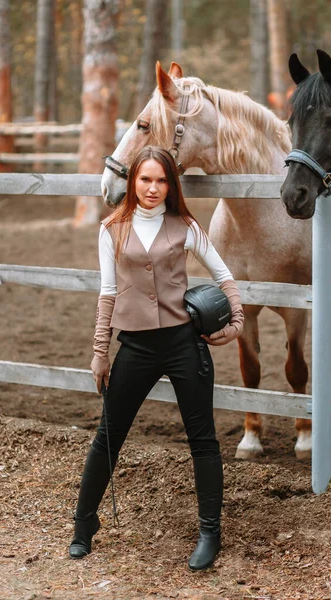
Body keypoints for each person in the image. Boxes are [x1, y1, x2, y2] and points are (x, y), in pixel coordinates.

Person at [69, 146, 244, 571]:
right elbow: (107, 293)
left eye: (161, 180)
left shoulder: (185, 225)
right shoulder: (112, 228)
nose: (152, 188)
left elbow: (225, 277)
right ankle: (83, 523)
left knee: (202, 440)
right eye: (145, 179)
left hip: (185, 344)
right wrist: (99, 353)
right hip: (137, 347)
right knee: (108, 435)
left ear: (171, 184)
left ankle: (209, 532)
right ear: (133, 181)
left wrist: (235, 322)